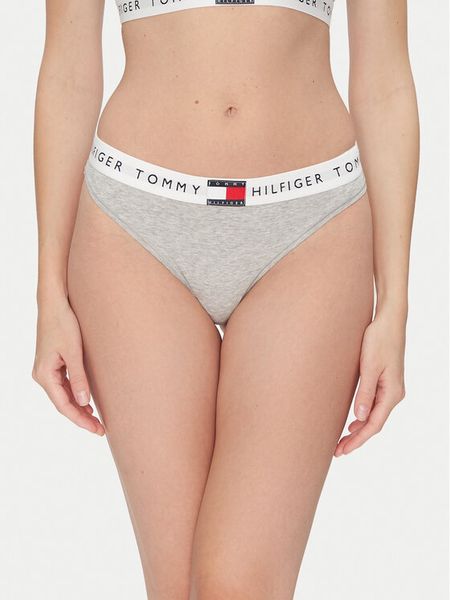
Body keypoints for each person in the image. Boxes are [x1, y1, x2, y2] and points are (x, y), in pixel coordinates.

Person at [31, 0, 419, 597]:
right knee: (176, 588)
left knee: (237, 583)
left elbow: (386, 82)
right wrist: (48, 294)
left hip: (310, 227)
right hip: (134, 228)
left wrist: (396, 306)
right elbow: (67, 72)